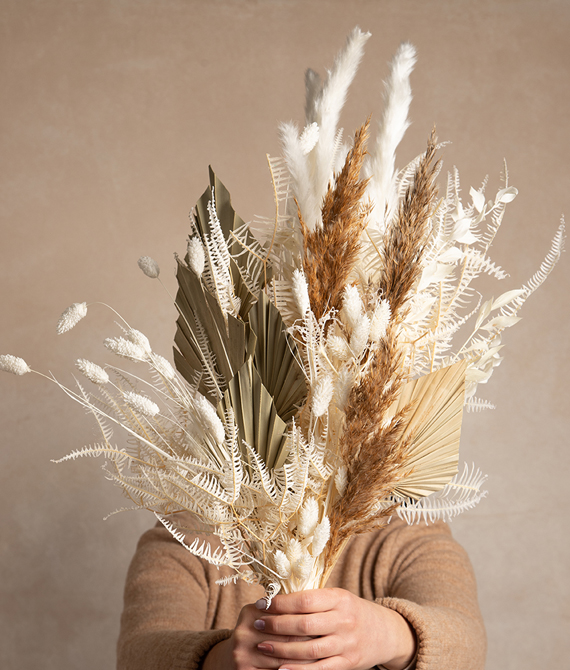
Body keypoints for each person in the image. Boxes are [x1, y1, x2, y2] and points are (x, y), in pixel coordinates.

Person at [117, 512, 486, 669]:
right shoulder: (190, 535)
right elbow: (137, 655)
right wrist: (219, 659)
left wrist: (387, 633)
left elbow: (468, 645)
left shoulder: (403, 532)